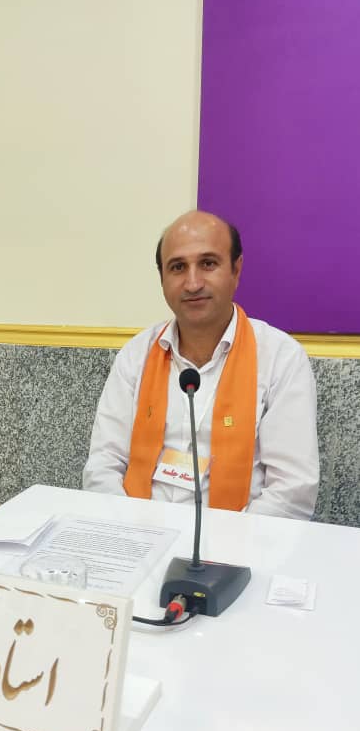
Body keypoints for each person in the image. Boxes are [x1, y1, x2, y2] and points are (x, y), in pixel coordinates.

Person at [83, 210, 319, 519]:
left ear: (236, 270)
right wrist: (131, 534)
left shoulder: (280, 358)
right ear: (162, 279)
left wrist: (225, 543)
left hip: (239, 539)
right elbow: (103, 465)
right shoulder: (136, 354)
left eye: (208, 264)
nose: (193, 283)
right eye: (178, 267)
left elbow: (292, 491)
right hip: (139, 533)